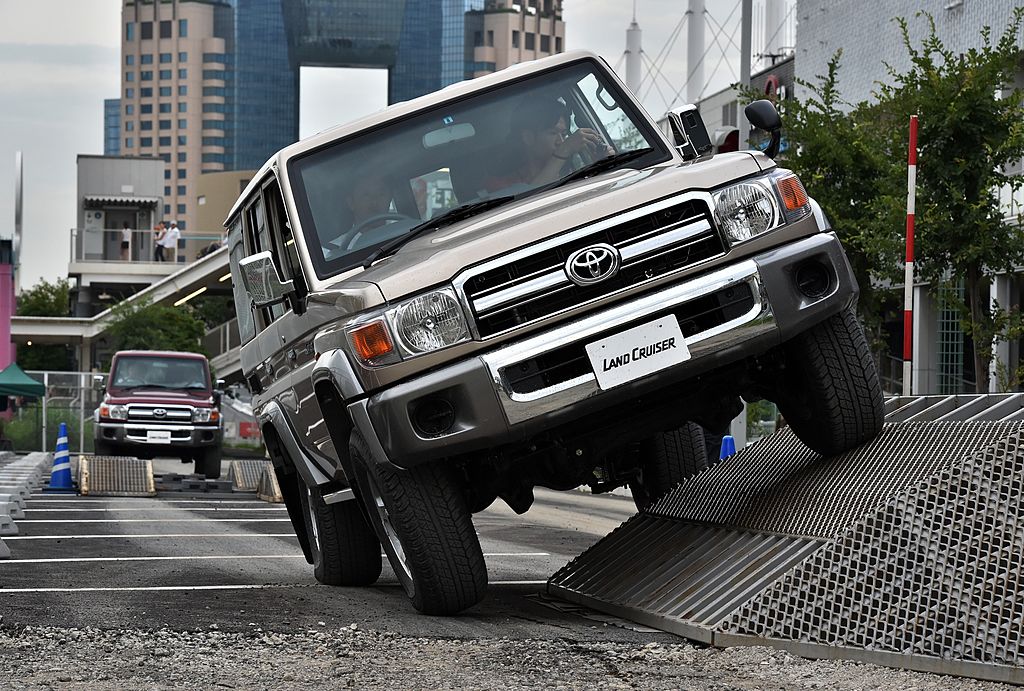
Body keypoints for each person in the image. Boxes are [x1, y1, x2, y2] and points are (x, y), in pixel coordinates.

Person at [485, 98, 614, 192]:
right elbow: (529, 202)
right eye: (553, 133)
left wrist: (601, 166)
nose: (561, 141)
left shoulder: (571, 174)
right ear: (528, 137)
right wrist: (565, 150)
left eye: (564, 134)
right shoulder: (500, 185)